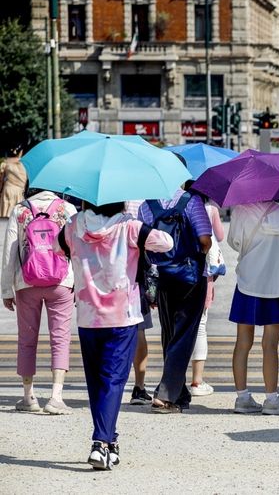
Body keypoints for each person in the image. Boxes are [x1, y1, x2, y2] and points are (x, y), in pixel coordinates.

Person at [59, 200, 173, 469]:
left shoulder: (74, 225)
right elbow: (166, 242)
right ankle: (100, 442)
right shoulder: (130, 227)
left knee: (96, 382)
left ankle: (110, 441)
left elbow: (58, 246)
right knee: (113, 381)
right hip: (123, 315)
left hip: (88, 315)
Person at [138, 179, 212, 413]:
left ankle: (179, 392)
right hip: (190, 276)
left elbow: (142, 242)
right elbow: (204, 239)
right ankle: (166, 394)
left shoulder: (146, 206)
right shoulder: (192, 201)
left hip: (162, 276)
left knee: (169, 333)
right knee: (184, 335)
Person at [1, 188, 77, 414]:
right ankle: (56, 396)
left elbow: (10, 251)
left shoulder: (20, 210)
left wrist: (7, 289)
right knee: (61, 337)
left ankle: (28, 397)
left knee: (27, 338)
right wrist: (78, 283)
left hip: (27, 281)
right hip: (61, 281)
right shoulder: (67, 209)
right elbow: (76, 248)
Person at [229, 198, 279, 415]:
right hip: (276, 285)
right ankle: (271, 398)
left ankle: (242, 397)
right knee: (270, 345)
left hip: (248, 281)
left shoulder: (241, 209)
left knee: (243, 342)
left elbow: (234, 242)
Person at [190, 199, 225, 397]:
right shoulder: (210, 207)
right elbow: (219, 235)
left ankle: (171, 380)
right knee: (201, 325)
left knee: (175, 327)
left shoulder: (170, 202)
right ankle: (197, 380)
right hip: (203, 271)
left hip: (175, 271)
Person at [124, 200, 153, 406]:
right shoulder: (146, 200)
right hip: (135, 273)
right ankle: (139, 386)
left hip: (102, 277)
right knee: (139, 328)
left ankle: (106, 383)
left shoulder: (108, 193)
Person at [0, 148, 28, 218]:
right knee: (16, 216)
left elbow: (1, 180)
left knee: (5, 214)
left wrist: (0, 190)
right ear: (20, 152)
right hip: (20, 191)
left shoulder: (6, 163)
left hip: (8, 190)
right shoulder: (26, 164)